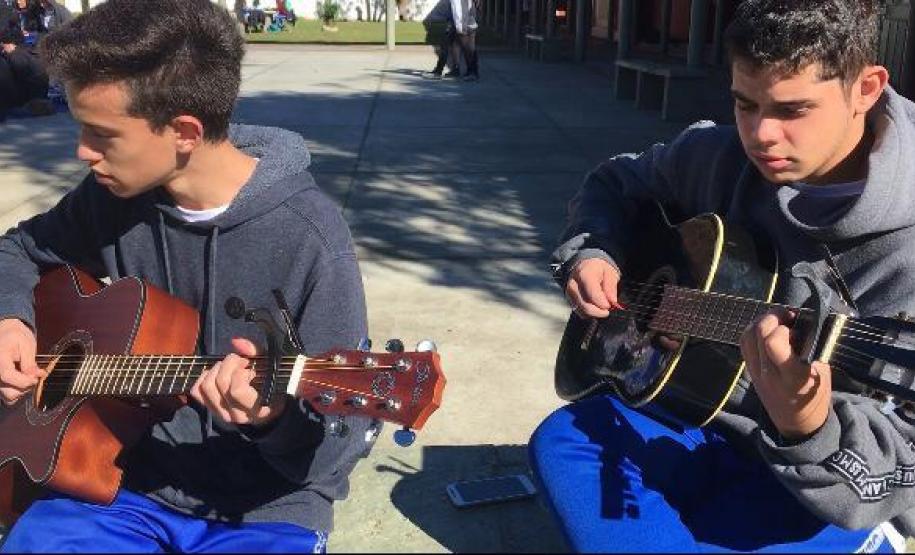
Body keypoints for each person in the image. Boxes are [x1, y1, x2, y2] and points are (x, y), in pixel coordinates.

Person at [531, 0, 915, 552]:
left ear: (867, 89)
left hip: (809, 481)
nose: (761, 135)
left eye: (793, 109)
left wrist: (809, 426)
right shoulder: (716, 155)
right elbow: (616, 182)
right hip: (692, 415)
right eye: (745, 103)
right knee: (566, 439)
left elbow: (901, 457)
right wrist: (594, 252)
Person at [0, 0, 375, 552]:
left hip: (264, 509)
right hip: (120, 479)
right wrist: (11, 318)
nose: (82, 152)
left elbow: (342, 440)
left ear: (184, 131)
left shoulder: (310, 240)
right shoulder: (111, 199)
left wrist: (272, 421)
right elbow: (18, 249)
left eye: (102, 135)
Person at [0, 25, 53, 121]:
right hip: (40, 95)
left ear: (11, 44)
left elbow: (15, 83)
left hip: (30, 100)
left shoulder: (15, 57)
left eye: (3, 46)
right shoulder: (30, 52)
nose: (2, 50)